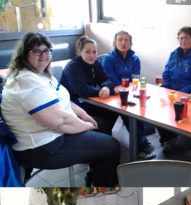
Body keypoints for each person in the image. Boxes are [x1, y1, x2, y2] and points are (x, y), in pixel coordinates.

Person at [0, 32, 121, 186]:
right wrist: (84, 126)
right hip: (42, 147)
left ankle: (94, 173)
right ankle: (102, 189)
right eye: (37, 51)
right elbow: (59, 121)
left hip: (52, 134)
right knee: (112, 147)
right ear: (24, 55)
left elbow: (66, 100)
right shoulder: (26, 82)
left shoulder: (41, 75)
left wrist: (84, 116)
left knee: (101, 125)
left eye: (46, 51)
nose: (43, 55)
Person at [100, 30, 156, 159]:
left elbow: (135, 79)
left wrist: (129, 88)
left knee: (138, 109)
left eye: (126, 40)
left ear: (130, 43)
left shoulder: (135, 59)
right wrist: (125, 87)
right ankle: (143, 143)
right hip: (113, 94)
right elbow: (111, 80)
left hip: (129, 92)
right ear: (115, 42)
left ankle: (140, 149)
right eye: (120, 40)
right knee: (128, 111)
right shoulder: (108, 59)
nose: (123, 42)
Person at [158, 26, 191, 151]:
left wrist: (177, 93)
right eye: (181, 38)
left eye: (187, 38)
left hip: (186, 94)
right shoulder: (174, 54)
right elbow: (166, 73)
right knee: (159, 110)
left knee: (171, 108)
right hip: (172, 92)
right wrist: (165, 88)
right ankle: (168, 137)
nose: (183, 41)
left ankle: (170, 137)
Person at [60, 36, 119, 137]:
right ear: (79, 52)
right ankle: (99, 136)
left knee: (114, 110)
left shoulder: (95, 63)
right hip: (74, 106)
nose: (92, 55)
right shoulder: (73, 67)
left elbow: (108, 79)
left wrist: (106, 87)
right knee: (104, 125)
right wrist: (111, 91)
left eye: (94, 52)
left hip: (89, 102)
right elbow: (83, 91)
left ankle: (103, 136)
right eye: (88, 52)